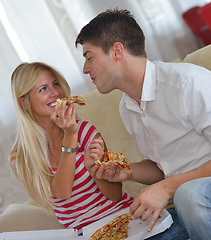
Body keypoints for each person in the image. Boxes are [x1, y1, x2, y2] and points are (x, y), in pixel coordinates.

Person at [75, 8, 211, 240]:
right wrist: (127, 172)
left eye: (90, 58)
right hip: (189, 201)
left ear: (117, 51)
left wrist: (168, 188)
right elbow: (164, 168)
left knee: (189, 194)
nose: (85, 69)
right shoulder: (127, 107)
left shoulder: (188, 82)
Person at [9, 62, 133, 230]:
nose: (55, 93)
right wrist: (70, 136)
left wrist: (95, 171)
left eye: (55, 84)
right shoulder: (22, 157)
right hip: (82, 234)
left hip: (123, 219)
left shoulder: (85, 132)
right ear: (24, 103)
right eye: (43, 89)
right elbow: (62, 192)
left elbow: (115, 194)